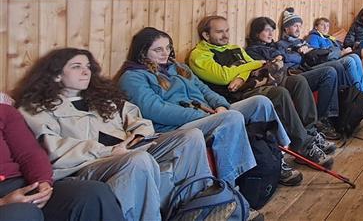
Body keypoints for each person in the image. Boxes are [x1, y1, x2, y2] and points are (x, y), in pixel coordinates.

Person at [12, 48, 214, 221]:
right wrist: (107, 151)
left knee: (191, 136)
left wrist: (138, 137)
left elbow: (138, 119)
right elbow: (52, 149)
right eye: (76, 67)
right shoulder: (37, 109)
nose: (85, 72)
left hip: (129, 148)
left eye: (88, 67)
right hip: (86, 165)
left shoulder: (104, 99)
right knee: (138, 160)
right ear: (56, 75)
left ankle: (196, 208)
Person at [118, 27, 302, 187]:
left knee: (260, 102)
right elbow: (155, 109)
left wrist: (221, 105)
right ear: (142, 52)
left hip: (207, 114)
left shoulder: (178, 67)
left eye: (167, 47)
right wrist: (201, 116)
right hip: (176, 128)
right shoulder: (133, 76)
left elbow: (204, 90)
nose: (165, 53)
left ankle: (280, 156)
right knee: (232, 117)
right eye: (157, 50)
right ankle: (230, 186)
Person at [189, 15, 335, 169]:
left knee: (298, 81)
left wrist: (240, 76)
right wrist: (252, 67)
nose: (225, 35)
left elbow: (253, 65)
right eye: (219, 32)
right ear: (206, 35)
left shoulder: (234, 48)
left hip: (254, 83)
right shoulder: (199, 55)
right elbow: (223, 77)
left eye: (227, 30)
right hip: (236, 95)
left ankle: (310, 134)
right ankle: (303, 147)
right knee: (279, 93)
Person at [0, 99, 124, 221]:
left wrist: (43, 182)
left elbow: (30, 154)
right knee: (23, 213)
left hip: (21, 185)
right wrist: (3, 202)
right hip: (8, 204)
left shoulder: (5, 112)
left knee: (93, 193)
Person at [306, 16, 363, 94]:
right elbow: (315, 55)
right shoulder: (313, 37)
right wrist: (340, 53)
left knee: (355, 57)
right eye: (322, 25)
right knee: (349, 60)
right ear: (316, 27)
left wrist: (346, 50)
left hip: (336, 58)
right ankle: (358, 93)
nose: (325, 28)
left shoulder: (329, 38)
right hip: (324, 63)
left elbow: (340, 47)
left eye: (327, 26)